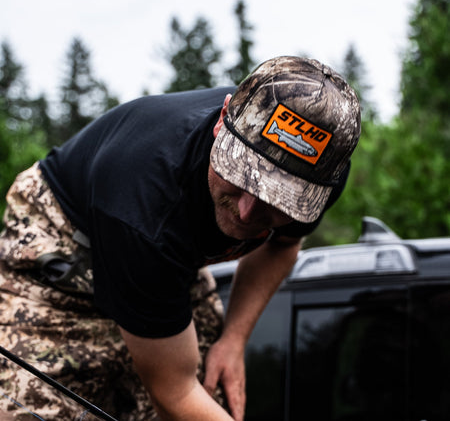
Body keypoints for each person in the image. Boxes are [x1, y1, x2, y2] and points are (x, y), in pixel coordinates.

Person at [0, 56, 360, 420]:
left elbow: (283, 245)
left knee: (211, 396)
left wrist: (234, 340)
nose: (247, 212)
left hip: (161, 256)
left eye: (277, 198)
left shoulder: (317, 169)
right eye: (242, 174)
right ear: (222, 119)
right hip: (62, 253)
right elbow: (175, 392)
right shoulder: (144, 200)